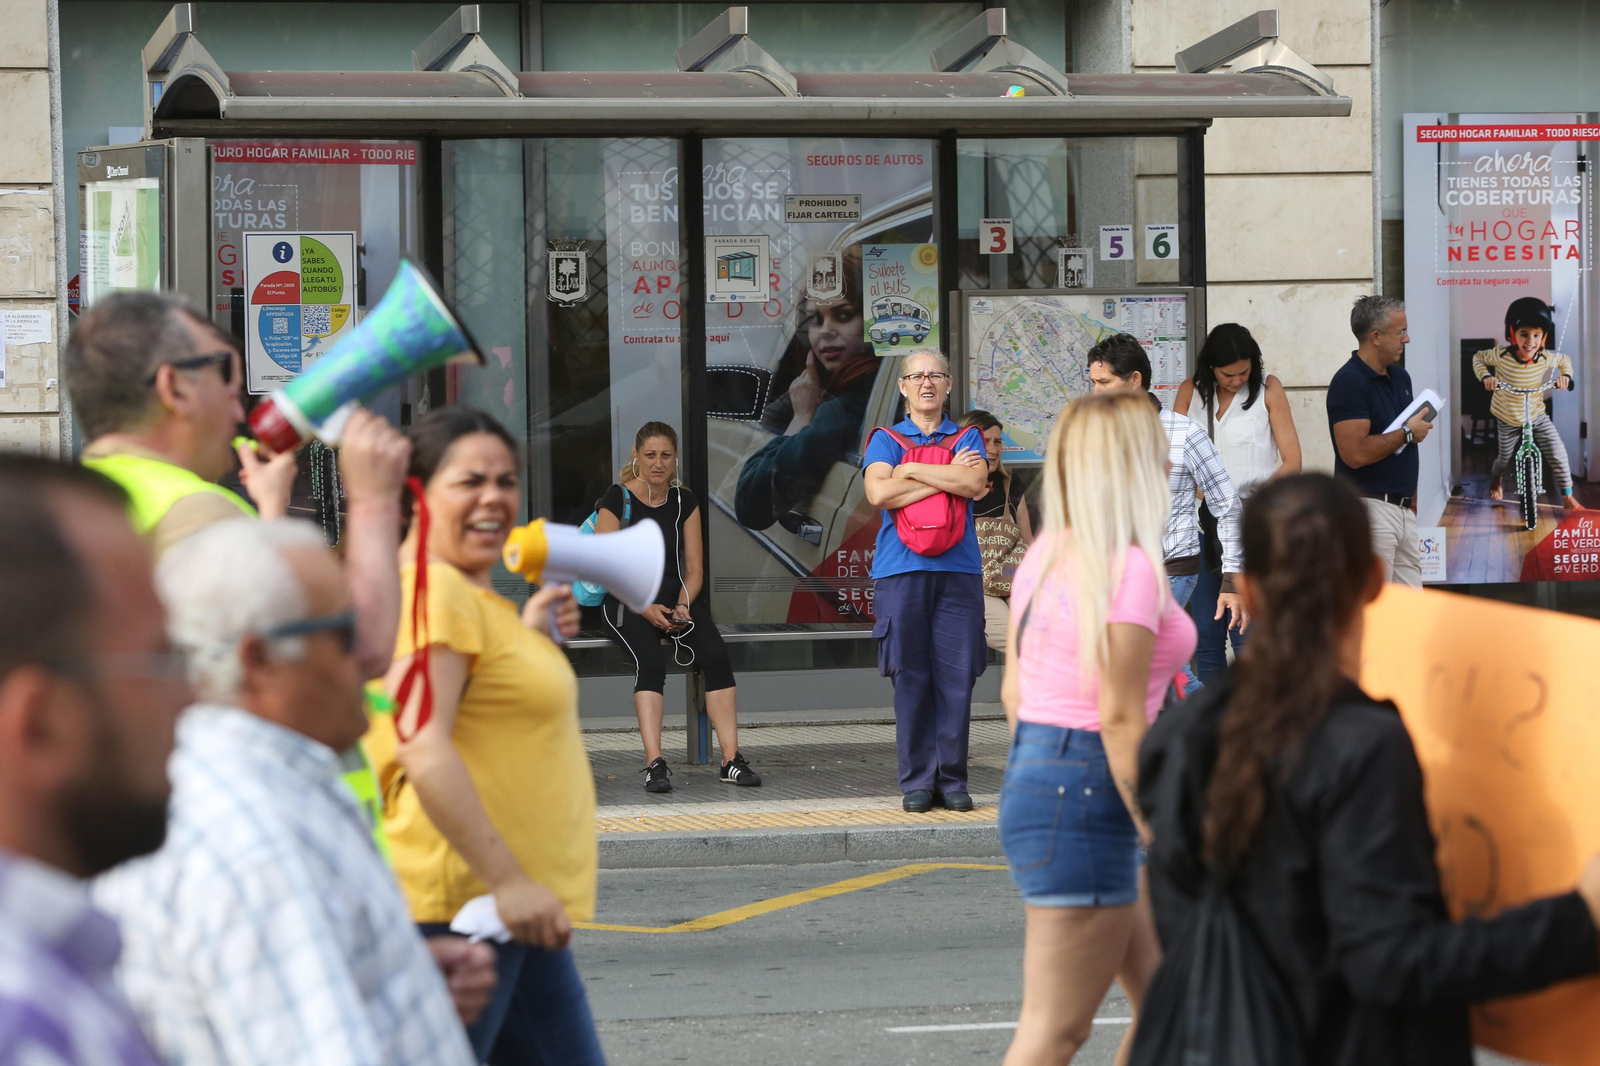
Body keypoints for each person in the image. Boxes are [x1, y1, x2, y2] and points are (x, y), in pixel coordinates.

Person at [1137, 473, 1600, 1066]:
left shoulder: (1178, 738)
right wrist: (1579, 918)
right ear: (1375, 581)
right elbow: (1392, 962)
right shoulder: (1361, 746)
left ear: (1248, 589)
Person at [93, 519, 489, 1066]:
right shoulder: (253, 839)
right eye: (345, 631)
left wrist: (398, 976)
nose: (372, 653)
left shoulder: (254, 784)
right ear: (258, 661)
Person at [372, 407, 605, 1066]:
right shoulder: (437, 592)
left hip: (505, 907)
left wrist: (529, 635)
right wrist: (508, 883)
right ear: (416, 494)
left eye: (505, 481)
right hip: (468, 905)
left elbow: (483, 714)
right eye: (469, 481)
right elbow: (423, 745)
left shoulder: (468, 598)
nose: (494, 498)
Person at [64, 290, 410, 681]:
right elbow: (358, 651)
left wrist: (271, 510)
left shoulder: (76, 498)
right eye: (225, 376)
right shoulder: (199, 514)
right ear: (174, 389)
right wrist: (374, 500)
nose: (237, 407)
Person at [998, 392, 1194, 1066]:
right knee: (1056, 1030)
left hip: (1048, 774)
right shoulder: (1128, 567)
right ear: (1132, 465)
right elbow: (1118, 715)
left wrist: (1046, 769)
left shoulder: (1049, 553)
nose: (1170, 463)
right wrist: (1157, 829)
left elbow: (1015, 692)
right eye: (1158, 451)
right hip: (1089, 786)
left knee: (1167, 1002)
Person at [0, 456, 184, 1066]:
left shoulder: (53, 969)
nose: (191, 698)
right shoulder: (24, 1028)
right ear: (42, 721)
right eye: (160, 662)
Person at [599, 421, 760, 792]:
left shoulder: (684, 501)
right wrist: (646, 608)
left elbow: (695, 569)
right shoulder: (617, 497)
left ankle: (730, 760)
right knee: (651, 663)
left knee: (716, 655)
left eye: (666, 455)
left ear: (675, 459)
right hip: (627, 600)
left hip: (676, 600)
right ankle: (655, 764)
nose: (658, 463)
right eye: (650, 455)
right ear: (636, 457)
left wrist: (683, 606)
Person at [862, 349, 989, 813]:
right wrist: (949, 474)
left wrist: (912, 470)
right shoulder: (885, 439)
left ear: (949, 384)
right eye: (916, 376)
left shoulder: (968, 435)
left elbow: (975, 485)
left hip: (958, 571)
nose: (927, 383)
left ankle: (952, 780)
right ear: (903, 387)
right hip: (900, 570)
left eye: (936, 375)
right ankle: (917, 780)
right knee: (910, 676)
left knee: (957, 678)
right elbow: (879, 491)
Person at [1087, 333, 1247, 686]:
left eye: (1104, 382)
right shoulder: (1095, 432)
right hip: (1113, 571)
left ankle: (1212, 717)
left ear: (1134, 380)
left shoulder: (1184, 432)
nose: (1095, 391)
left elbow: (1227, 506)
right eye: (1093, 382)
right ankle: (1206, 717)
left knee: (1152, 664)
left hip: (1169, 569)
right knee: (1149, 671)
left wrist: (1232, 578)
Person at [1173, 323, 1301, 684]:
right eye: (1227, 374)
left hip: (1251, 520)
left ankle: (1256, 709)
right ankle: (1213, 711)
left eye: (1244, 372)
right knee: (1206, 632)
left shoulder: (1268, 390)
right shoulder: (1190, 392)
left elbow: (1292, 460)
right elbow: (1173, 456)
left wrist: (1257, 504)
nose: (1236, 380)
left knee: (1248, 629)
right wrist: (1199, 490)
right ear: (1210, 367)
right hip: (1200, 523)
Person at [736, 245, 879, 532]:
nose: (825, 331)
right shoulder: (838, 393)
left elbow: (751, 505)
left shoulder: (843, 409)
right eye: (816, 319)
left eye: (843, 315)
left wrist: (801, 417)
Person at [1327, 295, 1434, 588]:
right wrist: (1408, 433)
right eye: (1401, 332)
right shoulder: (1349, 382)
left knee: (1409, 611)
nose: (1407, 339)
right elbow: (1354, 454)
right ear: (1375, 337)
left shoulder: (1400, 377)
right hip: (1368, 510)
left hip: (1403, 511)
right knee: (1373, 608)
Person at [1473, 296, 1580, 513]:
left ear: (1543, 337)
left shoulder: (1544, 358)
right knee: (1504, 458)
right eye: (1524, 334)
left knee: (1557, 452)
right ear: (1512, 334)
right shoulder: (1501, 355)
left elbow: (1564, 360)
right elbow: (1478, 358)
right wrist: (1486, 377)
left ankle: (1568, 496)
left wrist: (1565, 376)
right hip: (1507, 417)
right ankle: (1496, 479)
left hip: (1536, 415)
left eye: (1536, 335)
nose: (1530, 341)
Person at [957, 409, 1035, 653]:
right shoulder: (953, 488)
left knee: (1045, 630)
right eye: (985, 441)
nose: (992, 449)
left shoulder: (1010, 485)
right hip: (972, 586)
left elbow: (1028, 541)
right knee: (1020, 642)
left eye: (997, 442)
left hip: (1012, 580)